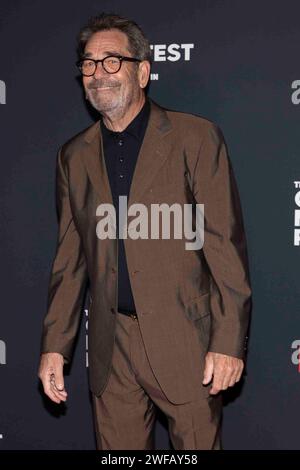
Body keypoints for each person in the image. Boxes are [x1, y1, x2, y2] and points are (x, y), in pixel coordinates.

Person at [38, 12, 252, 450]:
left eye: (112, 61)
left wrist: (228, 343)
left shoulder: (195, 138)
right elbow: (70, 261)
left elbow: (224, 248)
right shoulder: (73, 157)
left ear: (144, 71)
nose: (99, 73)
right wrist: (55, 346)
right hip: (109, 347)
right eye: (89, 63)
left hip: (187, 341)